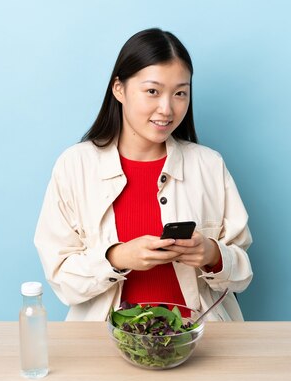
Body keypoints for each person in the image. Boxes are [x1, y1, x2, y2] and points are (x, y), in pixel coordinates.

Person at [34, 28, 253, 321]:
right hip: (104, 342)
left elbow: (242, 275)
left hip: (199, 340)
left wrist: (213, 256)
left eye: (180, 93)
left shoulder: (209, 165)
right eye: (152, 91)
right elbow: (61, 278)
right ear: (119, 89)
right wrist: (117, 258)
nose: (166, 108)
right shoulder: (74, 166)